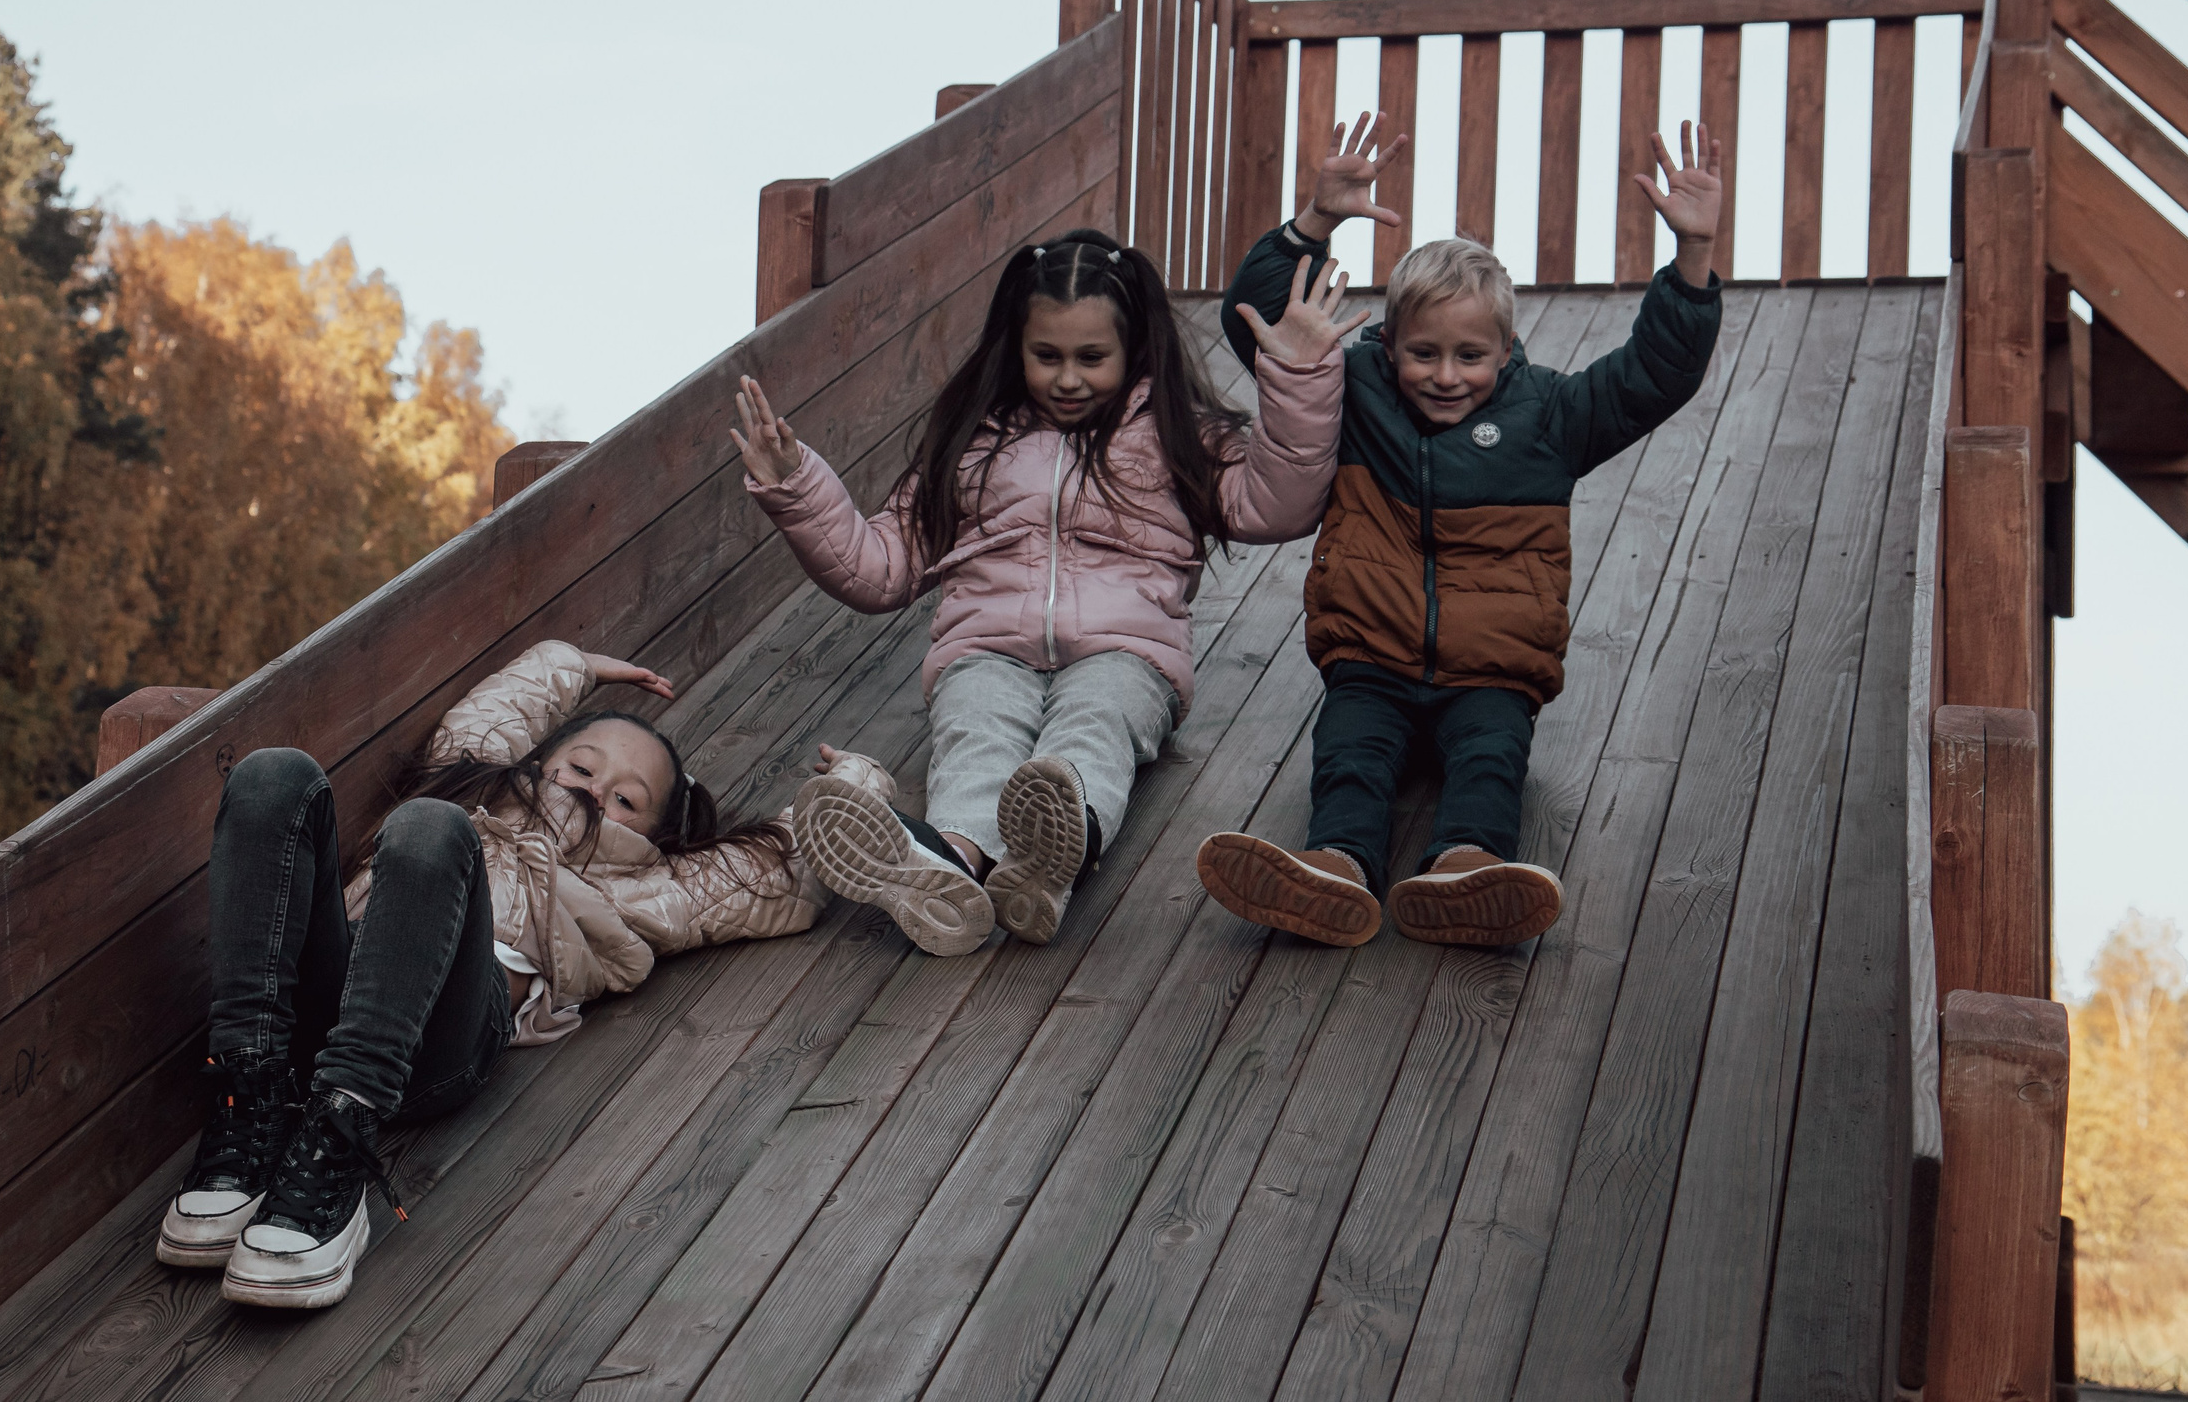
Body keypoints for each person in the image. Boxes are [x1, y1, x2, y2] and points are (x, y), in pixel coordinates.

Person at [732, 208, 1370, 955]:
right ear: (1017, 348)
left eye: (1092, 357)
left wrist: (1298, 377)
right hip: (987, 646)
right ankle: (953, 860)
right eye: (1047, 356)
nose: (1068, 378)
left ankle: (1057, 848)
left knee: (1092, 726)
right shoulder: (974, 443)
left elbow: (1277, 502)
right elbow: (879, 570)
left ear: (1134, 348)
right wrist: (798, 488)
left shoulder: (1174, 432)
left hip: (1126, 650)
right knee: (977, 730)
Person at [155, 639, 824, 1309]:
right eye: (580, 767)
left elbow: (773, 871)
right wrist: (574, 664)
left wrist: (848, 792)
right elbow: (491, 717)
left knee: (432, 829)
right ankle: (247, 1105)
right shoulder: (477, 787)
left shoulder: (646, 883)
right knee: (274, 775)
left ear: (656, 838)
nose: (593, 790)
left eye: (626, 798)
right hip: (331, 992)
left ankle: (340, 1137)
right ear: (537, 763)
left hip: (434, 1042)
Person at [1195, 119, 1726, 949]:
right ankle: (1335, 865)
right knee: (1350, 752)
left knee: (1489, 759)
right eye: (1424, 353)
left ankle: (1467, 868)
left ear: (1507, 348)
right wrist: (1313, 223)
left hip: (1493, 666)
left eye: (1471, 355)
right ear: (1387, 344)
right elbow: (1263, 322)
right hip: (1370, 652)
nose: (1446, 375)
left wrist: (1692, 256)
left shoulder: (1550, 414)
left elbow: (1653, 375)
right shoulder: (1357, 388)